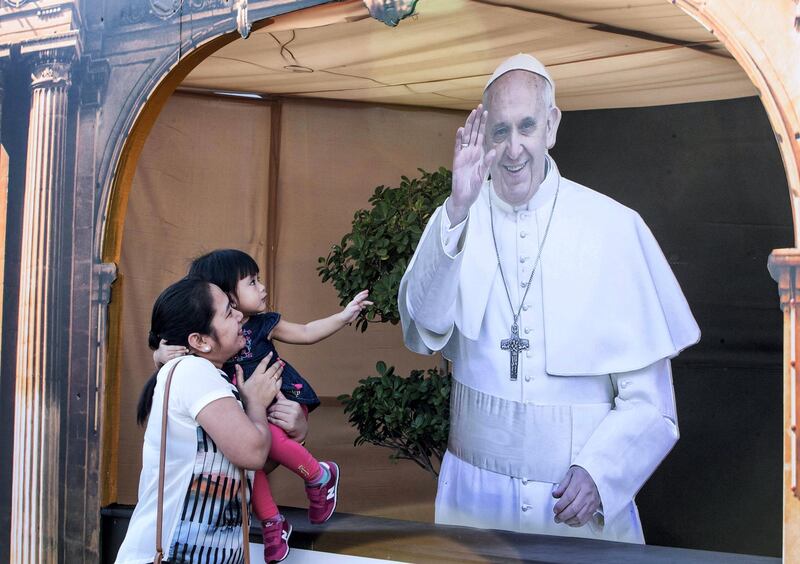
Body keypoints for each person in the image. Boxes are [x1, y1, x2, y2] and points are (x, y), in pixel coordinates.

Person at [399, 53, 700, 543]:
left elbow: (652, 403)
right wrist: (457, 207)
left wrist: (602, 474)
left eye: (526, 127)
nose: (514, 149)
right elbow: (421, 329)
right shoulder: (456, 217)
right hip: (474, 503)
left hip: (574, 507)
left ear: (551, 126)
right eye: (499, 131)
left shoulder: (614, 228)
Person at [155, 249, 371, 563]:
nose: (262, 288)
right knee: (247, 467)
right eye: (252, 283)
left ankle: (318, 475)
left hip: (284, 397)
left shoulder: (262, 324)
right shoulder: (199, 367)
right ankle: (272, 521)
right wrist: (160, 355)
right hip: (251, 417)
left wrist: (343, 316)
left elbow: (307, 332)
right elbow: (171, 349)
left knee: (254, 455)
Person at [115, 277, 286, 563]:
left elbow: (252, 464)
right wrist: (256, 404)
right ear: (200, 341)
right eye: (229, 313)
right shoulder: (193, 370)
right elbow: (253, 452)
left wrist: (295, 432)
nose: (241, 316)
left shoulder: (213, 378)